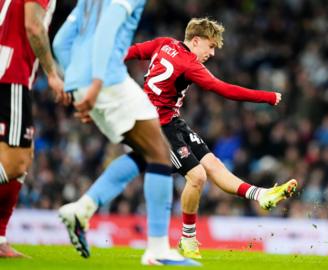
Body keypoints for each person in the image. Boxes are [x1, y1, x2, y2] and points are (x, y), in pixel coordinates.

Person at [64, 17, 297, 260]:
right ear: (195, 41)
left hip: (171, 122)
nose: (213, 53)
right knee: (196, 176)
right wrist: (266, 97)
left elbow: (132, 52)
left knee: (213, 165)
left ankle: (260, 195)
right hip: (157, 128)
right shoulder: (189, 64)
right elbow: (223, 89)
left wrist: (99, 70)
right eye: (211, 46)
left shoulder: (163, 43)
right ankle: (184, 240)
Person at [52, 0, 197, 266]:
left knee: (147, 153)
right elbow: (107, 30)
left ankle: (82, 209)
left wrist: (76, 84)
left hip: (82, 81)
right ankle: (158, 249)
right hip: (108, 80)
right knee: (160, 153)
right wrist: (95, 84)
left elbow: (61, 42)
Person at [0, 0, 66, 258]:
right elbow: (34, 26)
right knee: (15, 162)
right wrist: (52, 73)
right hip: (11, 74)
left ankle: (0, 238)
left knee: (22, 158)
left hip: (9, 72)